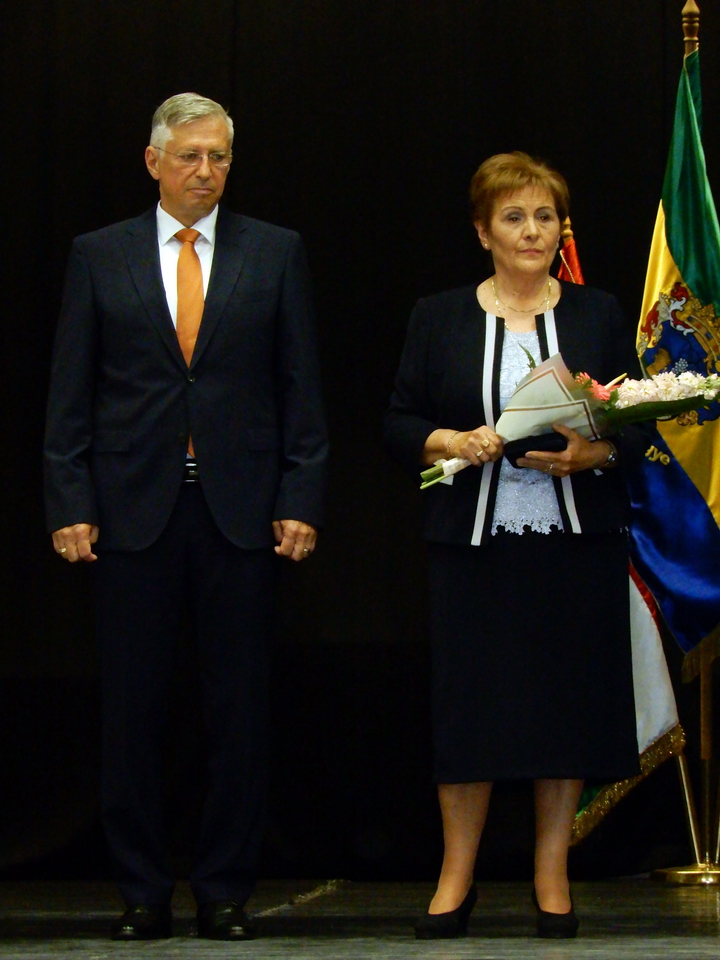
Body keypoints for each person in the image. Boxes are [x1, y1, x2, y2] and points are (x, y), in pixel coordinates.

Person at [44, 93, 327, 941]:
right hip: (131, 515)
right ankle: (141, 891)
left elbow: (301, 388)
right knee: (132, 713)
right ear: (153, 162)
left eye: (220, 157)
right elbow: (70, 392)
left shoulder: (275, 251)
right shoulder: (99, 255)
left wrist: (300, 496)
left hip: (241, 514)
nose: (207, 171)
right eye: (191, 156)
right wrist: (69, 500)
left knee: (238, 712)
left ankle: (224, 890)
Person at [384, 152, 648, 940]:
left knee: (565, 710)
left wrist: (592, 454)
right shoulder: (439, 315)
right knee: (469, 714)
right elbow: (397, 421)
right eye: (513, 217)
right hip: (473, 548)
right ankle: (455, 877)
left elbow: (640, 425)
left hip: (576, 545)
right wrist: (450, 440)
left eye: (544, 217)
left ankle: (551, 875)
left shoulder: (599, 313)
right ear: (483, 232)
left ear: (560, 230)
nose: (532, 231)